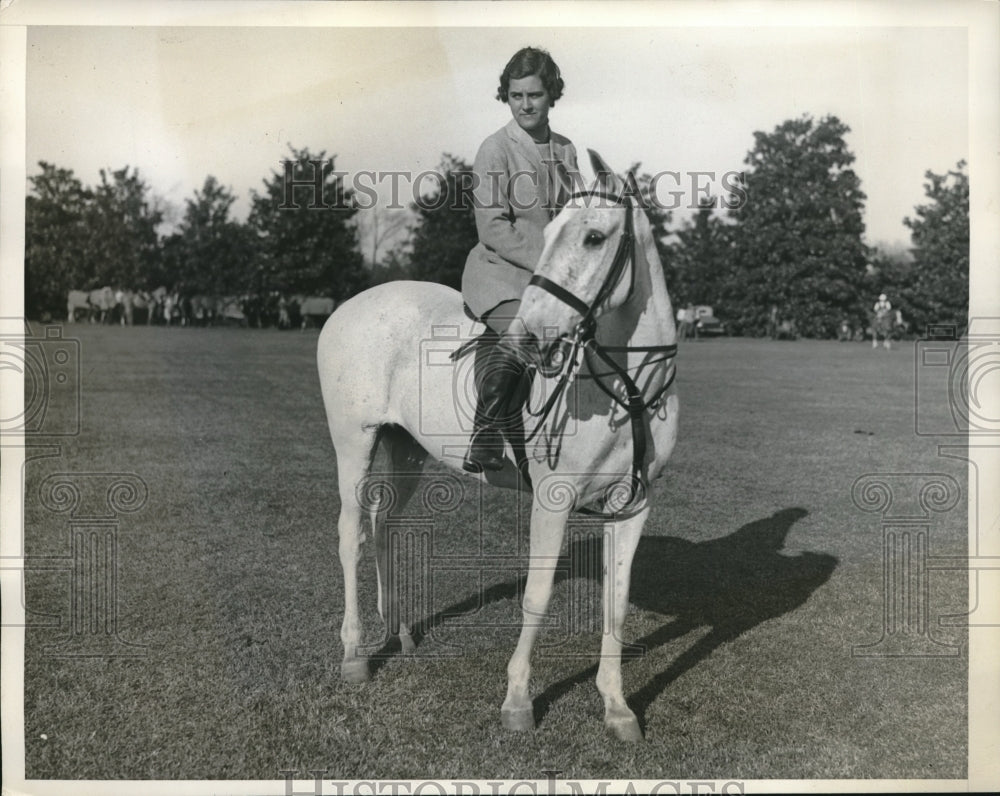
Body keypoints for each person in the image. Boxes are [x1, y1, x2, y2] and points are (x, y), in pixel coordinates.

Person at [461, 47, 581, 473]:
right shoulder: (495, 149)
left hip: (554, 278)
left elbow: (576, 218)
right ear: (506, 97)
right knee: (524, 330)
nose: (526, 105)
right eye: (516, 96)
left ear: (552, 95)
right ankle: (486, 433)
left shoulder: (567, 150)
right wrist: (551, 261)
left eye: (534, 95)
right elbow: (492, 228)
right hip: (501, 273)